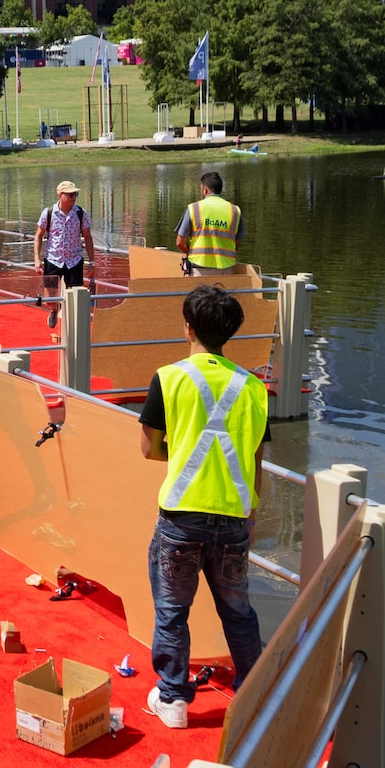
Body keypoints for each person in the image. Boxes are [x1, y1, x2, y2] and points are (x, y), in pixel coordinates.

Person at [136, 283, 267, 728]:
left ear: (187, 327)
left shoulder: (169, 377)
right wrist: (250, 511)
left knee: (173, 610)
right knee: (238, 612)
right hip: (233, 516)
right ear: (229, 333)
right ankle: (253, 694)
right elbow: (255, 459)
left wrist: (188, 451)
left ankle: (172, 699)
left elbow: (148, 448)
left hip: (181, 516)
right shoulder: (253, 387)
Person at [36, 180, 93, 327]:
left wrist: (92, 262)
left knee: (75, 297)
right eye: (70, 195)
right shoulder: (48, 213)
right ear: (60, 195)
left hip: (74, 260)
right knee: (50, 297)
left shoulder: (80, 213)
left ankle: (72, 326)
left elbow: (87, 237)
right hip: (53, 259)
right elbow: (38, 236)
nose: (74, 197)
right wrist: (37, 259)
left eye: (75, 194)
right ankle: (54, 310)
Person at [173, 170, 244, 275]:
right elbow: (236, 244)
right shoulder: (235, 210)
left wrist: (189, 252)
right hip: (226, 270)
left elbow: (180, 242)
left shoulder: (194, 208)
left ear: (205, 190)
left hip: (199, 269)